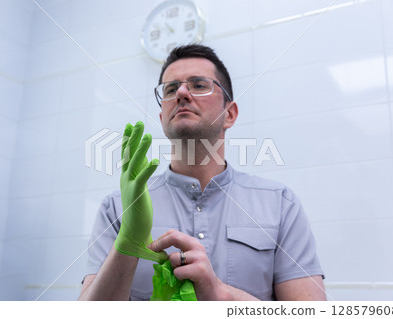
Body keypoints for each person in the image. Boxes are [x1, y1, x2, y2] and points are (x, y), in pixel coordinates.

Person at [79, 44, 326, 301]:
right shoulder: (117, 208)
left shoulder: (280, 204)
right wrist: (126, 247)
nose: (182, 93)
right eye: (171, 89)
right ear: (162, 115)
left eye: (198, 85)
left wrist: (222, 296)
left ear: (229, 114)